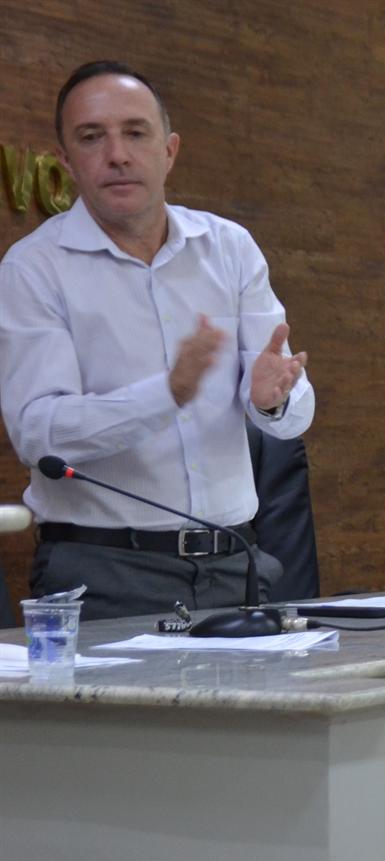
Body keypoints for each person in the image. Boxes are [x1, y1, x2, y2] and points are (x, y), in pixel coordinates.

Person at [0, 61, 313, 620]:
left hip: (236, 563)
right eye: (92, 137)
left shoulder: (230, 248)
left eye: (135, 133)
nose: (117, 154)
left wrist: (272, 400)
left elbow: (291, 415)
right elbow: (37, 433)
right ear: (67, 162)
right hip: (105, 573)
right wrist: (164, 394)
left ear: (169, 151)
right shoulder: (33, 268)